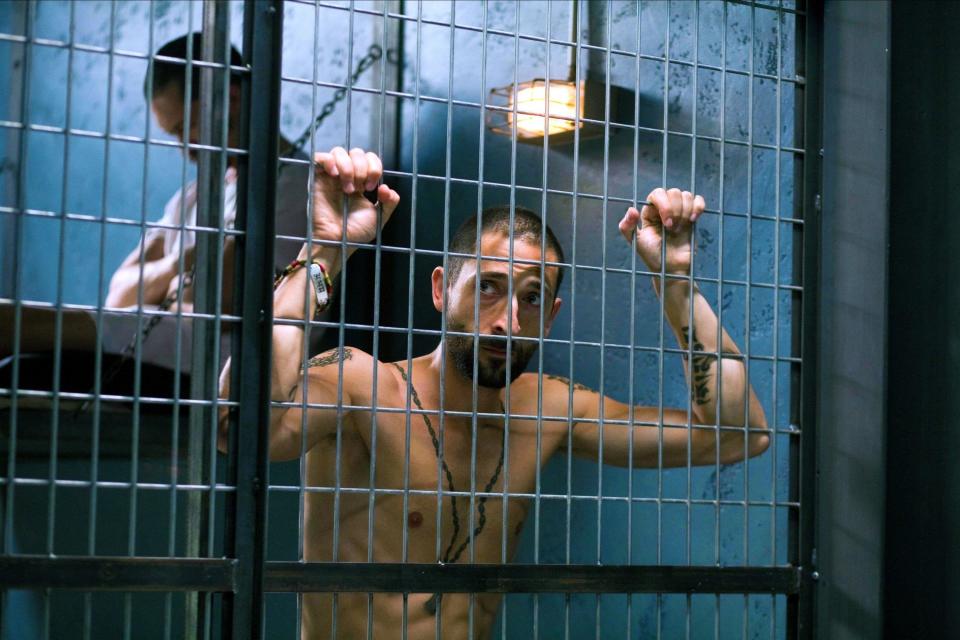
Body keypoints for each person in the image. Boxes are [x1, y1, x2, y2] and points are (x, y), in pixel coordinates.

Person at [217, 146, 769, 639]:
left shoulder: (547, 407)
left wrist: (674, 281)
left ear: (550, 317)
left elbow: (737, 435)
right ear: (441, 290)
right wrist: (327, 251)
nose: (508, 321)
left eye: (531, 299)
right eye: (487, 287)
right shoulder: (362, 385)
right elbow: (237, 427)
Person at [1, 33, 314, 372]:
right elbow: (119, 294)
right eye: (174, 135)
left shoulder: (293, 185)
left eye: (187, 127)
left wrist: (167, 290)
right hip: (170, 337)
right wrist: (182, 263)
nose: (185, 149)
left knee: (14, 325)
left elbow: (217, 305)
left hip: (233, 360)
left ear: (232, 98)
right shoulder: (194, 196)